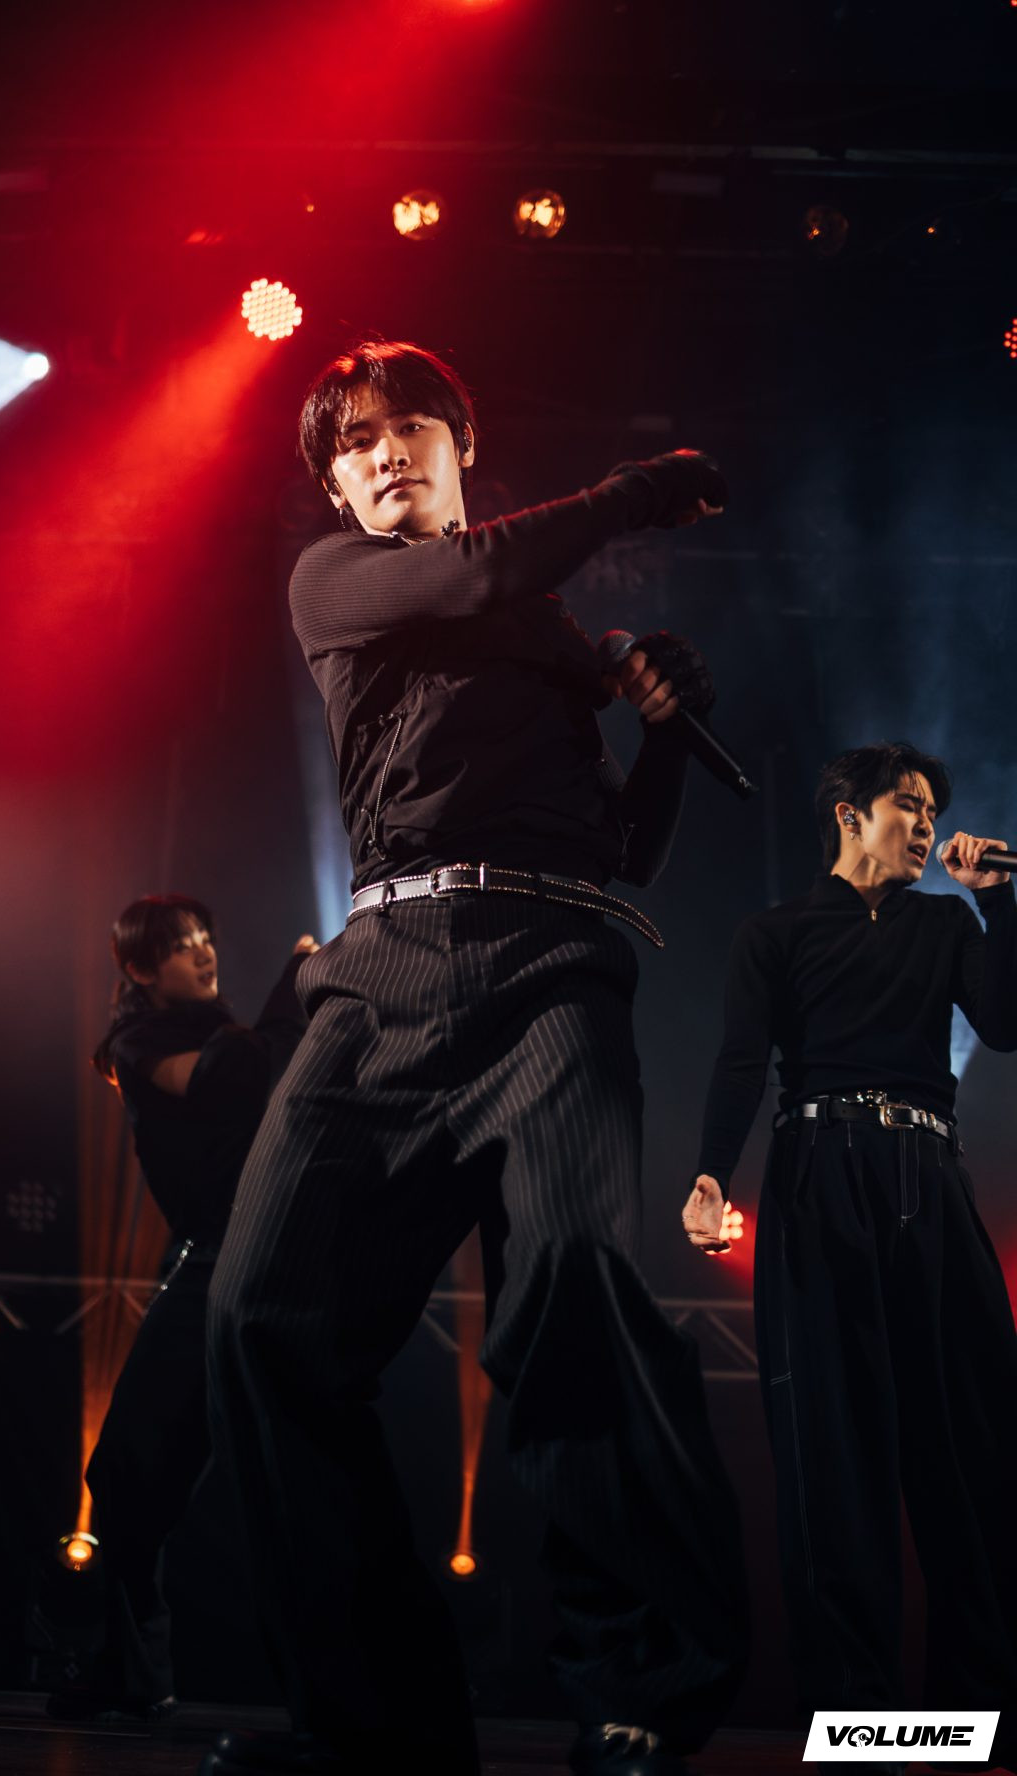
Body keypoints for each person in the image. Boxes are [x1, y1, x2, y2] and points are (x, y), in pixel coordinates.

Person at [202, 340, 750, 1776]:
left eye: (411, 427)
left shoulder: (554, 634)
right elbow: (473, 575)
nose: (384, 451)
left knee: (571, 1283)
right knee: (260, 1319)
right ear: (336, 486)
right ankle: (369, 1725)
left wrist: (667, 733)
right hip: (379, 979)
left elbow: (622, 849)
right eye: (355, 441)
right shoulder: (337, 580)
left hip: (551, 968)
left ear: (461, 446)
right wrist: (636, 491)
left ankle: (638, 1690)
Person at [683, 742, 1017, 1769]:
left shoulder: (943, 924)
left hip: (927, 1179)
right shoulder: (775, 932)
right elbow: (741, 1061)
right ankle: (861, 1728)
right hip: (819, 1180)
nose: (925, 826)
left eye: (932, 812)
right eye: (907, 806)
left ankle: (972, 1725)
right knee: (833, 1455)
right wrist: (710, 1175)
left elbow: (1005, 1027)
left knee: (973, 1443)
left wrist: (998, 904)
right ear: (847, 814)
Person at [52, 893, 316, 1729]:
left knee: (289, 1475)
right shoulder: (141, 1044)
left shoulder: (231, 1032)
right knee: (128, 1474)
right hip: (214, 1257)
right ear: (139, 969)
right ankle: (131, 1672)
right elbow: (231, 1079)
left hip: (256, 1258)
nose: (203, 951)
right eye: (180, 944)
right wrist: (291, 985)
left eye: (205, 936)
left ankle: (335, 1692)